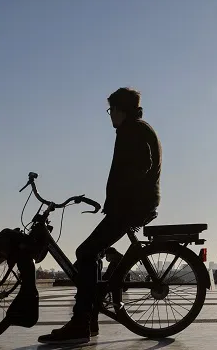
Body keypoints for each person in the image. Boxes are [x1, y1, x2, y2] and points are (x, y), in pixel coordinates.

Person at [38, 88, 162, 345]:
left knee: (85, 252)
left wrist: (120, 196)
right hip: (132, 204)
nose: (109, 116)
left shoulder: (134, 130)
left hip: (131, 206)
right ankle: (89, 320)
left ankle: (81, 323)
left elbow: (141, 166)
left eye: (110, 111)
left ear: (120, 110)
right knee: (90, 253)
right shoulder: (138, 128)